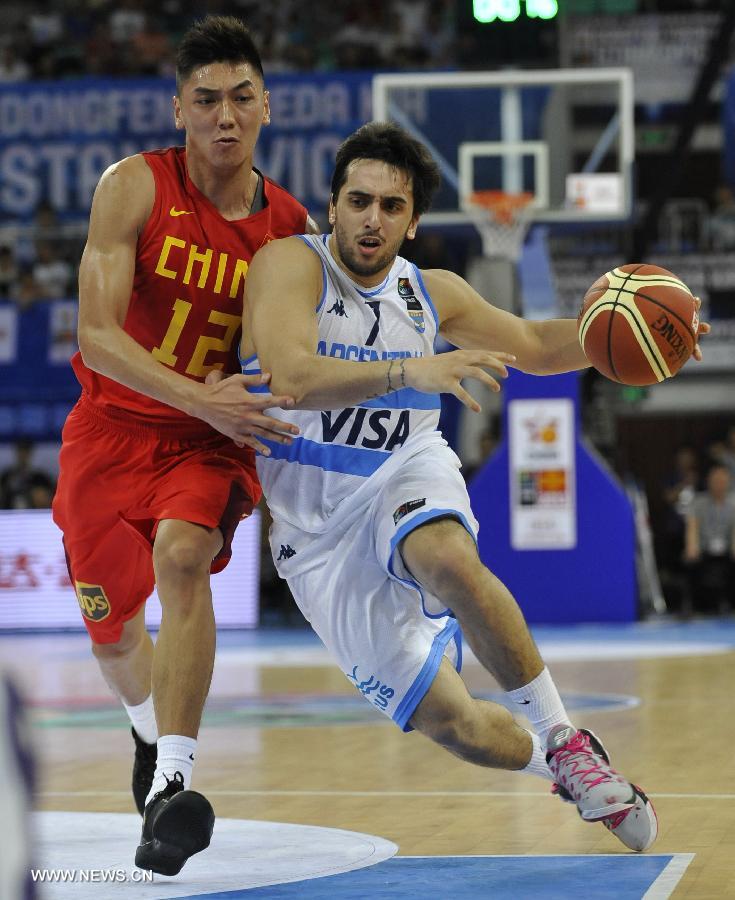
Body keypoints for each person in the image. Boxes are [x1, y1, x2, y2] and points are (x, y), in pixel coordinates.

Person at [238, 122, 710, 854]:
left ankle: (565, 736)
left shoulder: (433, 294)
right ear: (331, 207)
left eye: (390, 206)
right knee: (454, 727)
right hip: (315, 536)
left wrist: (644, 332)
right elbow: (292, 379)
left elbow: (530, 343)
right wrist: (409, 372)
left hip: (403, 466)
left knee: (446, 559)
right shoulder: (287, 267)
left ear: (412, 219)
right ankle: (554, 767)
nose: (372, 219)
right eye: (358, 201)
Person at [51, 15, 315, 876]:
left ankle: (172, 780)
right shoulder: (132, 187)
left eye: (241, 97)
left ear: (267, 106)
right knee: (112, 634)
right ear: (179, 110)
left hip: (212, 439)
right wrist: (199, 393)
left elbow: (296, 356)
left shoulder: (288, 227)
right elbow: (94, 335)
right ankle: (142, 731)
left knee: (183, 556)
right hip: (109, 432)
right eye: (206, 100)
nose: (224, 116)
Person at [683, 463, 735, 615]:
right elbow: (692, 528)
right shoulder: (698, 502)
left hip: (727, 552)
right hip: (703, 551)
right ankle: (699, 607)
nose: (719, 484)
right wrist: (692, 548)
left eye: (722, 480)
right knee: (692, 562)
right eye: (716, 480)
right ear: (709, 481)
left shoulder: (733, 503)